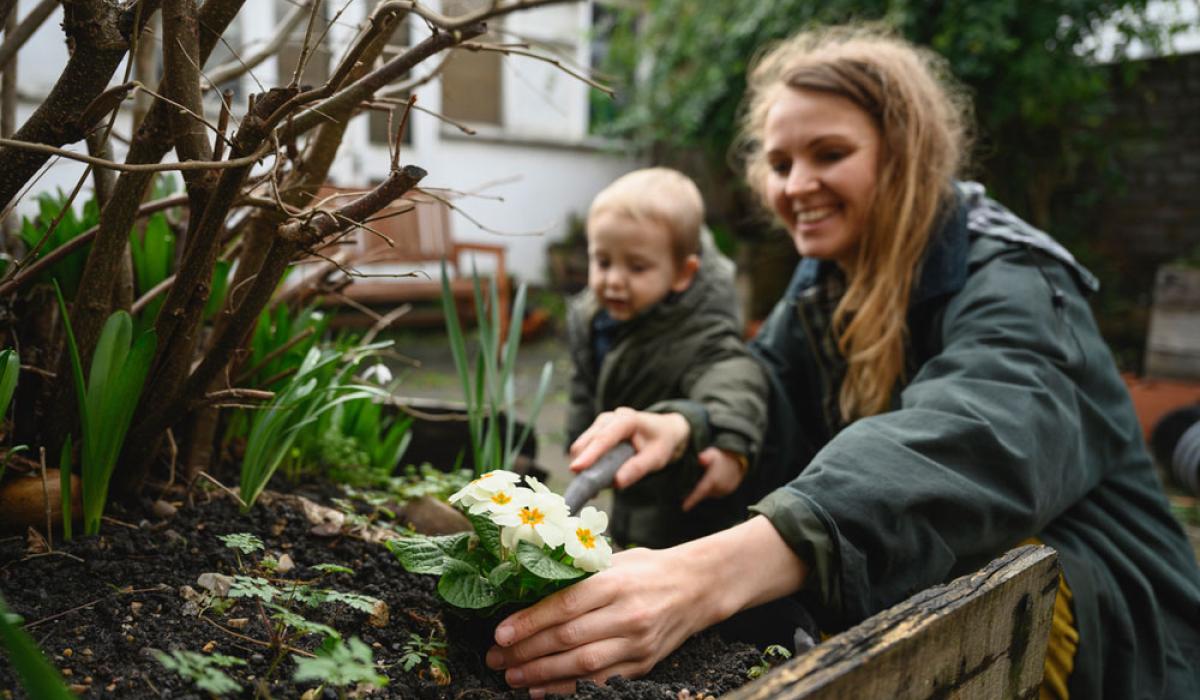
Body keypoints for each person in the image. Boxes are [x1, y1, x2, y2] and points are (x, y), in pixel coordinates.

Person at [484, 26, 1200, 699]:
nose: (796, 185)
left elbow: (970, 438)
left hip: (1111, 613)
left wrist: (707, 577)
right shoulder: (828, 278)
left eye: (829, 154)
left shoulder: (1017, 280)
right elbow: (768, 383)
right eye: (780, 162)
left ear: (904, 153)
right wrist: (690, 425)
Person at [565, 167, 771, 549]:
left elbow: (735, 379)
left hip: (682, 498)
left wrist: (730, 443)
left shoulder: (700, 328)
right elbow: (583, 386)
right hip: (626, 474)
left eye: (637, 267)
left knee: (659, 550)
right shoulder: (592, 319)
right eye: (603, 261)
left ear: (682, 273)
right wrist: (577, 439)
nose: (613, 280)